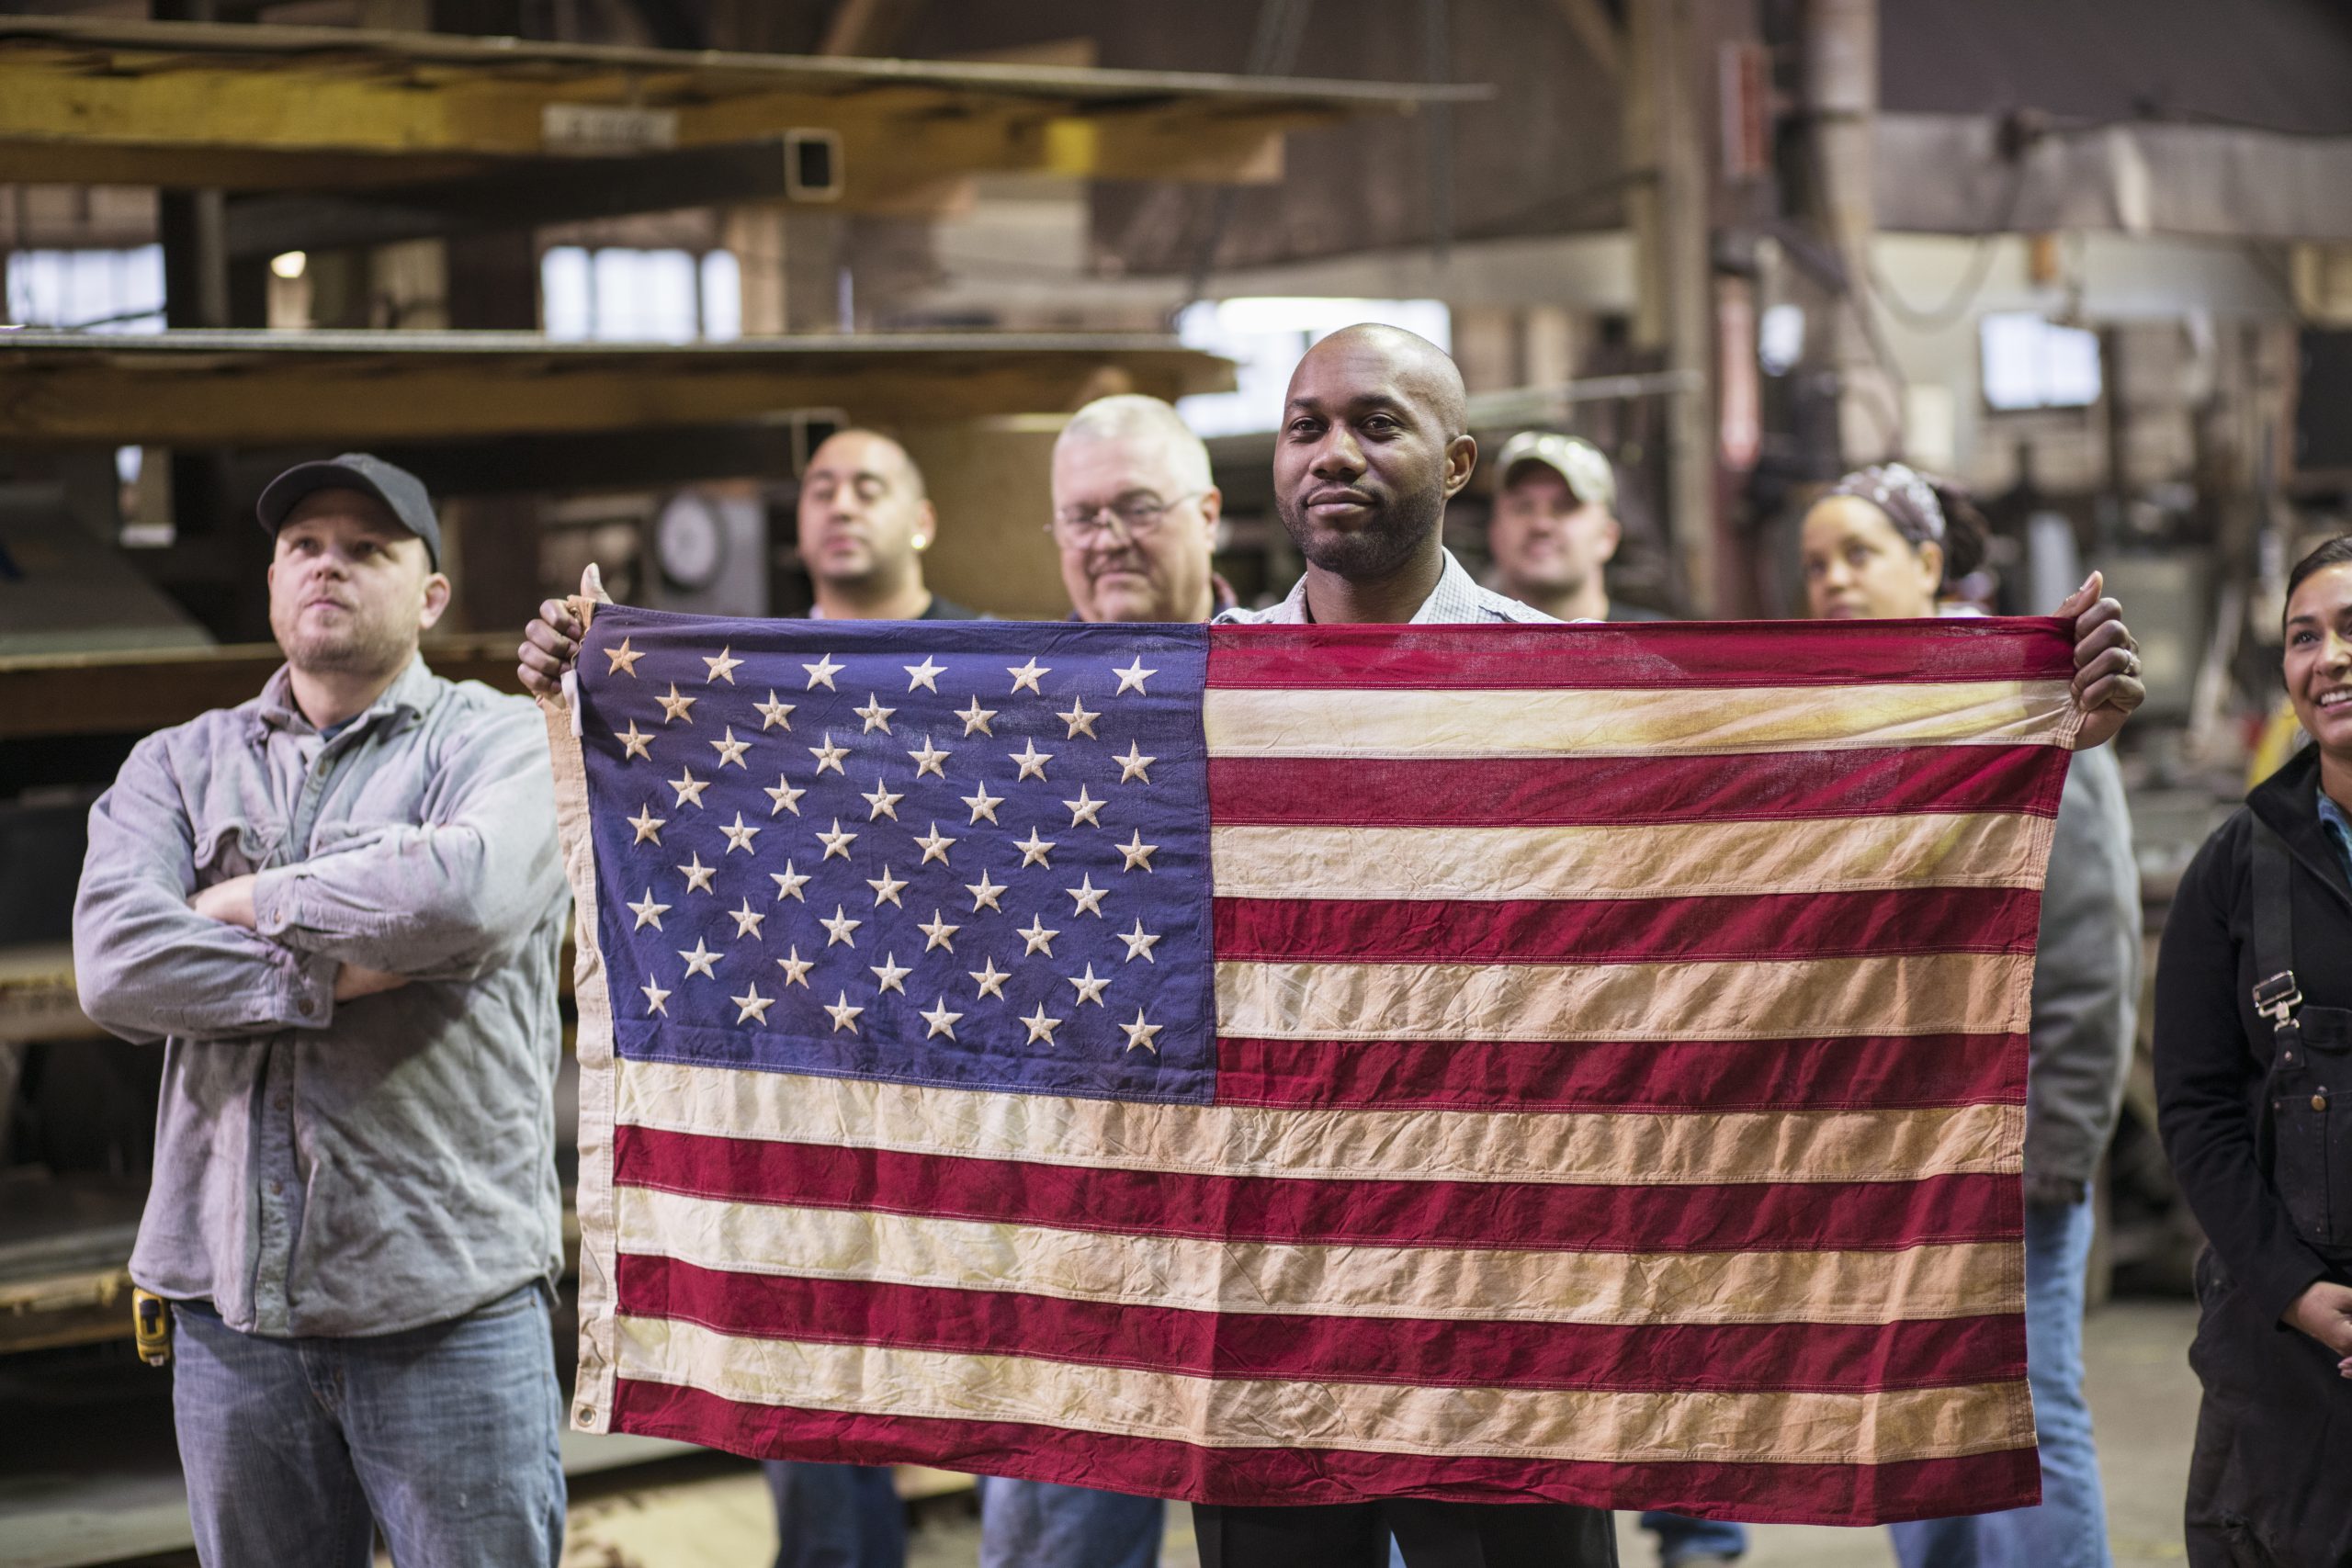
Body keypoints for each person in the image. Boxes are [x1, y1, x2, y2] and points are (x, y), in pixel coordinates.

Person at [73, 454, 570, 1568]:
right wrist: (326, 972)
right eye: (305, 547)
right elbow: (115, 968)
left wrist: (249, 901)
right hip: (229, 1323)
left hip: (447, 1314)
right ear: (270, 582)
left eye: (367, 548)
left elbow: (468, 897)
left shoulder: (502, 744)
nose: (328, 567)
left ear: (430, 594)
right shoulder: (177, 767)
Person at [523, 426, 967, 1568]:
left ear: (921, 520)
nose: (842, 504)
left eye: (872, 484)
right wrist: (585, 672)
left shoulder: (984, 669)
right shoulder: (739, 680)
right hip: (797, 1085)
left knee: (995, 1381)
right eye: (821, 486)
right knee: (811, 1387)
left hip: (959, 1081)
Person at [1800, 464, 2143, 1568]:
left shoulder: (2023, 705)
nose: (1834, 582)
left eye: (1858, 554)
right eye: (1814, 566)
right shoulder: (1839, 729)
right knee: (1907, 1415)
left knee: (2025, 1411)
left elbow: (2090, 948)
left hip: (2009, 1142)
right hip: (1888, 1149)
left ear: (1928, 564)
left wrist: (2054, 1148)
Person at [1487, 429, 1738, 1568]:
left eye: (1564, 504)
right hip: (1511, 1065)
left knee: (1675, 1309)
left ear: (1605, 532)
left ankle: (1695, 1536)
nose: (1539, 520)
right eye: (1519, 503)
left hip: (1646, 1048)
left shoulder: (1661, 686)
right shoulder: (1449, 683)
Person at [2155, 535, 2352, 1567]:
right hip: (2281, 1347)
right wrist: (2291, 1290)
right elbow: (2193, 1108)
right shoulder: (2234, 869)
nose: (2330, 657)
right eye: (2304, 637)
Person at [798, 427, 978, 623]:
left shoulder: (987, 648)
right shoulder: (770, 649)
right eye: (823, 493)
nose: (841, 508)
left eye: (867, 493)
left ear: (922, 523)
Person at [1485, 430, 1665, 626]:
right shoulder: (1462, 649)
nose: (1541, 524)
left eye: (1564, 507)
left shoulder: (1657, 648)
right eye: (1523, 507)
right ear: (1494, 532)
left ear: (1608, 537)